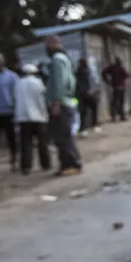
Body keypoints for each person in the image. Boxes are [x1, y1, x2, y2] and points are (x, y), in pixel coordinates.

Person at [44, 36, 82, 176]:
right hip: (67, 102)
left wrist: (56, 102)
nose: (45, 48)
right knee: (66, 135)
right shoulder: (64, 59)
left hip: (61, 104)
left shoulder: (57, 60)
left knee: (61, 136)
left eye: (47, 44)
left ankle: (69, 164)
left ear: (53, 44)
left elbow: (59, 82)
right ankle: (72, 163)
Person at [14, 64, 51, 175]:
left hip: (24, 118)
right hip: (39, 117)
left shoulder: (18, 84)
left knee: (26, 143)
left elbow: (15, 99)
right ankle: (46, 164)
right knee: (42, 142)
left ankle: (26, 167)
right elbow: (44, 98)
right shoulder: (38, 83)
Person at [75, 57, 101, 134]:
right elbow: (88, 83)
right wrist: (89, 91)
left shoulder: (77, 72)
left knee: (82, 111)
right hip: (86, 93)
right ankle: (94, 124)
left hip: (79, 95)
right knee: (94, 106)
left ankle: (83, 129)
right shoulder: (86, 72)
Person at [102, 58, 128, 122]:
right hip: (120, 87)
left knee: (114, 102)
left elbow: (103, 72)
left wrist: (107, 81)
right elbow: (126, 75)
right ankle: (121, 116)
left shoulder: (112, 67)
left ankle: (114, 117)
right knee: (120, 102)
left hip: (115, 87)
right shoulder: (120, 68)